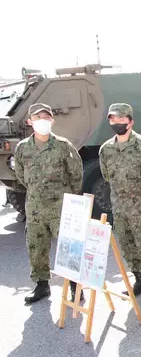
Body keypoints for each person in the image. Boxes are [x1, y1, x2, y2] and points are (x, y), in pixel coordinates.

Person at [13, 103, 84, 304]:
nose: (42, 121)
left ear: (52, 120)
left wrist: (67, 197)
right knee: (36, 247)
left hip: (61, 206)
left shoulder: (63, 145)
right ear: (30, 121)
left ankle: (75, 286)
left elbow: (76, 174)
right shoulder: (22, 148)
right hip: (35, 207)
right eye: (38, 118)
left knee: (68, 247)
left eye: (46, 117)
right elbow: (21, 175)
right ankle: (42, 285)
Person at [99, 103, 141, 306]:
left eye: (121, 119)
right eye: (113, 119)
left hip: (140, 205)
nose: (117, 123)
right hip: (118, 206)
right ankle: (139, 280)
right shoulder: (106, 149)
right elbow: (107, 176)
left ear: (130, 122)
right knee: (127, 244)